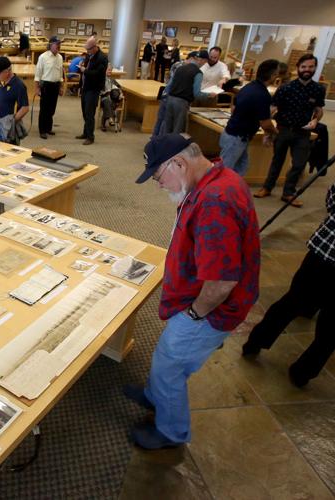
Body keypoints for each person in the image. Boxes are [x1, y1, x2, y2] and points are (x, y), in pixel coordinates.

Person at [128, 133, 260, 449]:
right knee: (166, 357)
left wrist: (193, 314)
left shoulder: (214, 202)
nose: (159, 185)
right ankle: (155, 396)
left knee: (170, 365)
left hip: (208, 310)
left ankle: (171, 431)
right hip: (195, 297)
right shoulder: (215, 179)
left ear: (178, 163)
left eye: (158, 177)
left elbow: (222, 282)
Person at [243, 163, 335, 387]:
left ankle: (255, 342)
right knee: (333, 328)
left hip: (326, 252)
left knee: (291, 302)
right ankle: (303, 373)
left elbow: (332, 201)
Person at [254, 54, 326, 207]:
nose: (307, 70)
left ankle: (288, 193)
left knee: (299, 164)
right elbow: (272, 109)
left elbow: (318, 110)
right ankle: (267, 187)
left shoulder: (318, 89)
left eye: (310, 67)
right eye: (304, 67)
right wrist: (267, 131)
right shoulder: (285, 88)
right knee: (277, 161)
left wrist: (315, 120)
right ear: (298, 68)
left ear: (315, 68)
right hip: (283, 129)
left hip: (303, 132)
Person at [220, 59, 280, 176]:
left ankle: (233, 187)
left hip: (233, 134)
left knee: (241, 167)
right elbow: (265, 123)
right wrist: (275, 132)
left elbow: (233, 108)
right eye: (276, 74)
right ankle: (217, 188)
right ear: (272, 75)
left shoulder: (249, 87)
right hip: (237, 137)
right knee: (224, 171)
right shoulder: (263, 95)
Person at [162, 50, 210, 134]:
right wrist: (209, 95)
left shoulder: (180, 68)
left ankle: (163, 142)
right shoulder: (198, 73)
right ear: (204, 60)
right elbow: (197, 94)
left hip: (170, 99)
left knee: (167, 127)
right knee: (177, 129)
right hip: (181, 103)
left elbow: (171, 84)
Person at [153, 50, 194, 137]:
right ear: (191, 59)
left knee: (160, 120)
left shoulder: (177, 65)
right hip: (171, 96)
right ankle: (159, 140)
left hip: (166, 94)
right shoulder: (183, 68)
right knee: (165, 123)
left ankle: (154, 140)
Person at [76, 36, 107, 145]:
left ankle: (90, 137)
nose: (87, 51)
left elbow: (97, 74)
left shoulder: (102, 58)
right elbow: (86, 69)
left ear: (94, 47)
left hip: (93, 89)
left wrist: (85, 70)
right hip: (85, 87)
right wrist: (82, 67)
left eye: (88, 49)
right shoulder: (89, 55)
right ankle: (85, 133)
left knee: (90, 113)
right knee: (85, 112)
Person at [0, 56, 29, 145]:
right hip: (0, 124)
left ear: (7, 71)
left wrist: (11, 123)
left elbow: (25, 108)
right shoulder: (4, 82)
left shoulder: (18, 85)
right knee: (2, 148)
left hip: (8, 128)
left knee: (10, 149)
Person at [34, 36, 64, 139]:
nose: (59, 46)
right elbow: (38, 74)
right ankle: (42, 130)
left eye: (60, 44)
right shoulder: (43, 57)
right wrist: (37, 88)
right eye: (57, 44)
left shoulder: (60, 57)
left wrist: (61, 87)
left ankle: (48, 128)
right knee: (44, 109)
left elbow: (60, 73)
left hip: (56, 85)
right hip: (46, 85)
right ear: (51, 45)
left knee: (52, 109)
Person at [99, 68, 122, 132]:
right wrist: (107, 92)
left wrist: (120, 93)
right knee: (107, 101)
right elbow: (99, 91)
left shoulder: (112, 80)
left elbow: (119, 87)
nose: (110, 71)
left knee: (110, 102)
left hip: (112, 98)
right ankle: (110, 118)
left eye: (110, 70)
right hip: (103, 97)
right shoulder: (101, 79)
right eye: (108, 70)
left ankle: (103, 124)